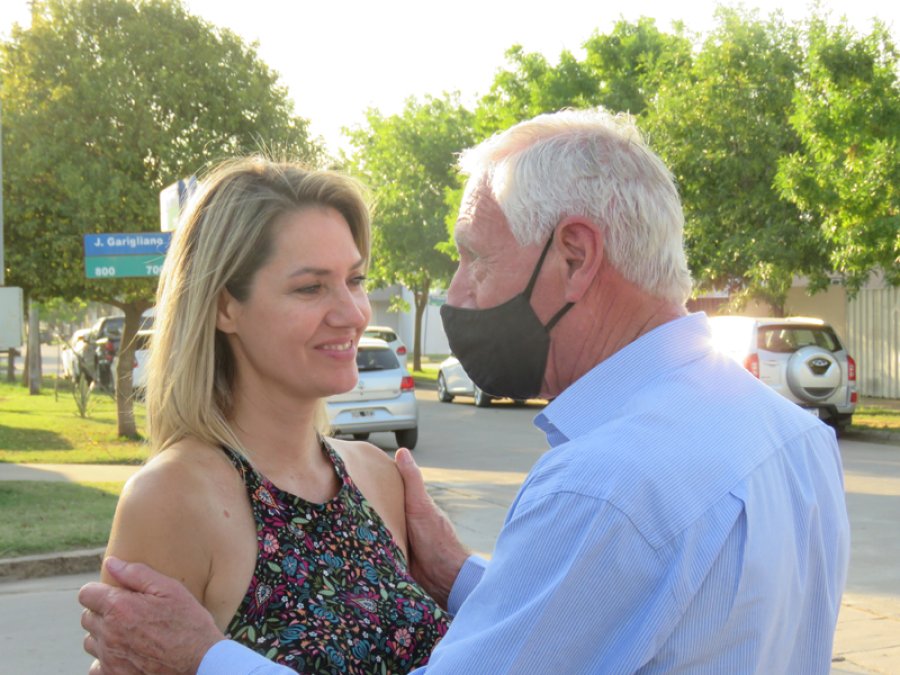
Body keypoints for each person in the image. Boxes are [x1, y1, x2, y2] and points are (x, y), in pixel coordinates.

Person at [80, 110, 850, 674]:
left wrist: (206, 660)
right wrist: (460, 576)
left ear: (575, 255)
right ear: (223, 304)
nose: (455, 292)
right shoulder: (792, 435)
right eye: (312, 285)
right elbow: (580, 623)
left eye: (477, 258)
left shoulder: (604, 485)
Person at [80, 158, 448, 674]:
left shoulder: (376, 474)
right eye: (311, 287)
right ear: (224, 307)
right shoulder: (172, 497)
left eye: (356, 279)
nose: (354, 312)